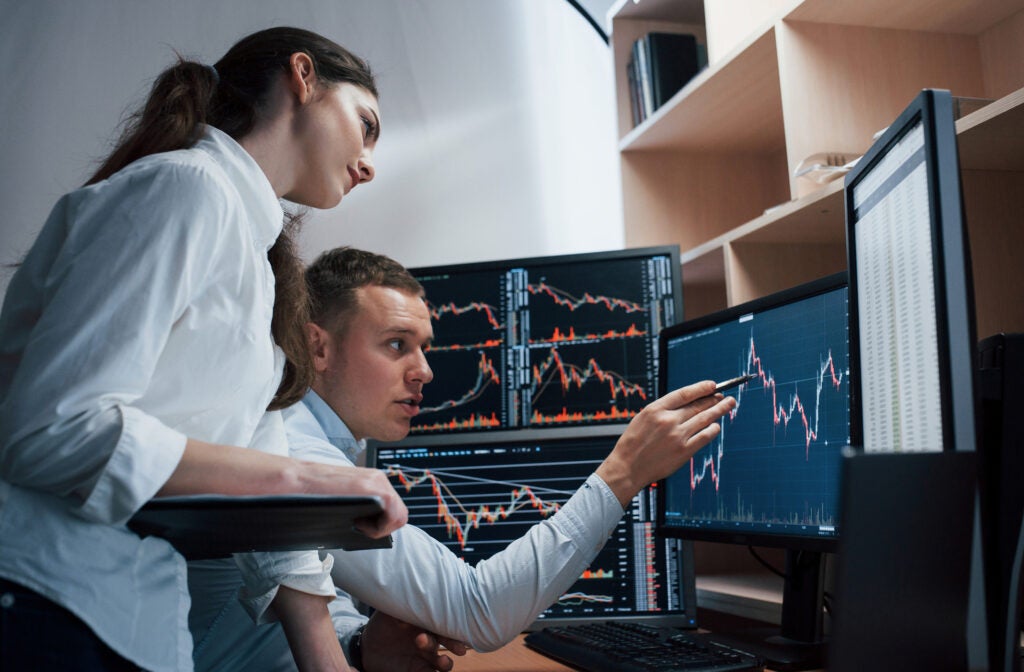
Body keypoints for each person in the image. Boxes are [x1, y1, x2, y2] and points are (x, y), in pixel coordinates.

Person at [0, 28, 410, 672]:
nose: (368, 163)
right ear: (302, 78)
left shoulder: (257, 258)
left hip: (133, 622)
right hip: (45, 600)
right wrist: (311, 479)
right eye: (366, 125)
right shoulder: (183, 189)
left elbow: (261, 464)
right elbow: (53, 431)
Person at [189, 246, 737, 671]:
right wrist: (625, 472)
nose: (425, 371)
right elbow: (480, 611)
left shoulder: (308, 439)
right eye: (397, 344)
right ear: (318, 348)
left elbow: (278, 603)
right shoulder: (299, 458)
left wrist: (361, 644)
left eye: (425, 347)